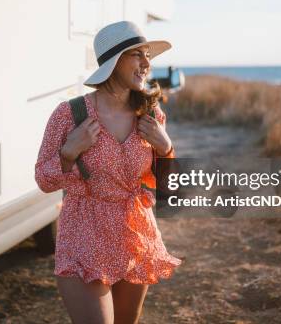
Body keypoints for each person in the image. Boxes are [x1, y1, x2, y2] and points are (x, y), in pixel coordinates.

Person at [35, 21, 182, 324]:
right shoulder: (69, 115)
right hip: (84, 236)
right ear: (114, 62)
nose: (146, 64)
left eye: (148, 56)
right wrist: (69, 152)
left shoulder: (150, 113)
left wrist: (166, 147)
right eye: (137, 55)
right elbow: (43, 179)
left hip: (135, 234)